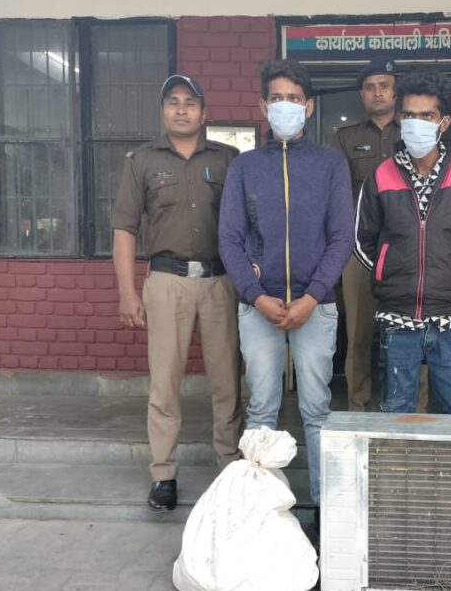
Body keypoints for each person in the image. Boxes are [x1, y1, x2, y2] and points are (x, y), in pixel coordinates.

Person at [218, 59, 353, 510]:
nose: (285, 106)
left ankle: (324, 510)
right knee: (261, 409)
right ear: (263, 106)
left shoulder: (330, 164)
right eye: (276, 98)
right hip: (260, 307)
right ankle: (262, 510)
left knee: (317, 410)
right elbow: (230, 238)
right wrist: (256, 296)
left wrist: (312, 296)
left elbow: (341, 237)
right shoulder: (244, 167)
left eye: (294, 98)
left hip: (316, 305)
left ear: (309, 107)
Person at [112, 73, 244, 512]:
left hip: (221, 281)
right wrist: (127, 292)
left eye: (190, 102)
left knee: (227, 382)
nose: (182, 109)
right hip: (166, 281)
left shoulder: (228, 160)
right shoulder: (142, 161)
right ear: (163, 110)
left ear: (204, 112)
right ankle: (163, 474)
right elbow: (125, 228)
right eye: (173, 101)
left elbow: (247, 224)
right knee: (165, 383)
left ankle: (229, 468)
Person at [355, 69, 451, 415]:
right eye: (409, 115)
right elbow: (363, 240)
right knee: (397, 411)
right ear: (399, 119)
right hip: (398, 317)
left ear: (444, 122)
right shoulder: (381, 175)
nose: (416, 124)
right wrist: (390, 268)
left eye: (427, 116)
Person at [334, 56, 428, 414]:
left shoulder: (416, 130)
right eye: (370, 87)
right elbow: (337, 197)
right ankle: (358, 409)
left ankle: (413, 413)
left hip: (410, 251)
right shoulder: (346, 138)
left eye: (384, 86)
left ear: (396, 91)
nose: (378, 93)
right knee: (358, 336)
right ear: (362, 94)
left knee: (413, 335)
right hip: (360, 252)